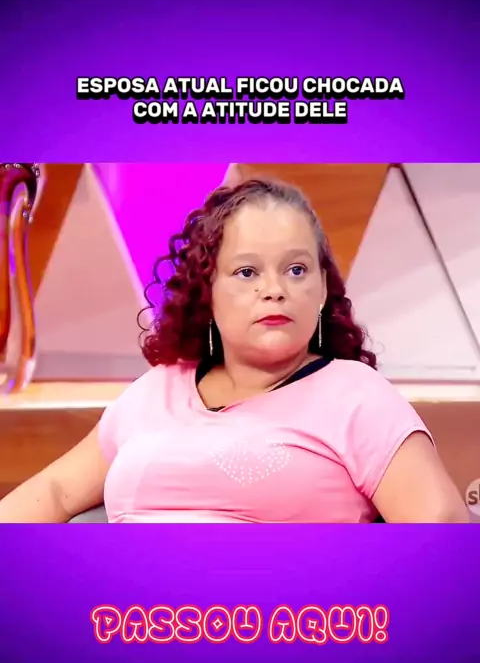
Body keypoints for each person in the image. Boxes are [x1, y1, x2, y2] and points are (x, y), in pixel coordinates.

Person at [0, 178, 468, 524]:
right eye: (248, 272)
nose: (275, 290)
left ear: (323, 288)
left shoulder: (356, 395)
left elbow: (440, 531)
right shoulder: (155, 391)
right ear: (209, 291)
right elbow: (56, 492)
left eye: (297, 270)